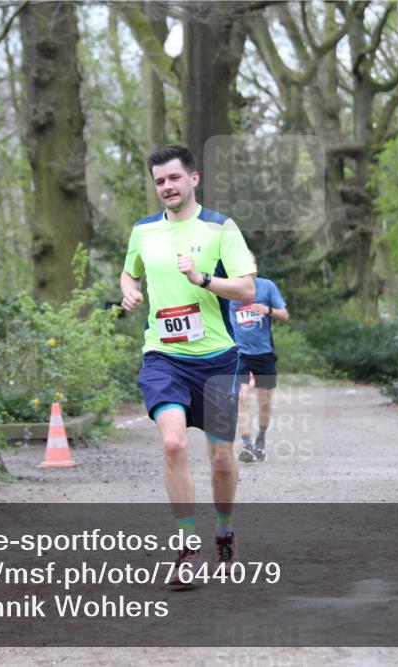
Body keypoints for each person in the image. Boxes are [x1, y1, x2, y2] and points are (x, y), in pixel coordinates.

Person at [119, 144, 256, 586]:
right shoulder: (143, 231)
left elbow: (248, 290)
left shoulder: (221, 228)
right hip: (163, 355)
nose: (167, 187)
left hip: (218, 359)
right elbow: (130, 271)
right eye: (159, 181)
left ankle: (224, 531)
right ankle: (185, 547)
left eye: (174, 178)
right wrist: (129, 291)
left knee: (219, 455)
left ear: (193, 179)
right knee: (174, 445)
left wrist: (203, 279)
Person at [228, 259, 288, 463]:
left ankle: (260, 440)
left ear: (255, 266)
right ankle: (247, 445)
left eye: (250, 264)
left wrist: (268, 310)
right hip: (239, 352)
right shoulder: (229, 288)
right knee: (242, 398)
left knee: (265, 402)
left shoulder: (267, 286)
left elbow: (285, 315)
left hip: (264, 353)